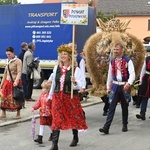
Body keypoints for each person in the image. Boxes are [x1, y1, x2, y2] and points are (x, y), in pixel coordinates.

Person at [48, 44, 88, 150]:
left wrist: (75, 82)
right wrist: (50, 96)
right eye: (61, 54)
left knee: (72, 116)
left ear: (69, 56)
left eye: (65, 54)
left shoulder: (76, 70)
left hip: (70, 97)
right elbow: (53, 84)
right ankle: (54, 144)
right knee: (56, 119)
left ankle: (75, 136)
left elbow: (81, 84)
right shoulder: (57, 68)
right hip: (57, 97)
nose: (63, 56)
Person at [99, 43, 135, 134]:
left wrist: (129, 83)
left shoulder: (128, 61)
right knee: (111, 107)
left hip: (124, 86)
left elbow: (132, 73)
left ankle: (124, 124)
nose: (115, 51)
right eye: (114, 49)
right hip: (115, 86)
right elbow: (110, 75)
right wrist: (108, 86)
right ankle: (106, 127)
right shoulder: (112, 61)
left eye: (117, 49)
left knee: (124, 106)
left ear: (122, 50)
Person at [0, 46, 22, 119]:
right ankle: (3, 113)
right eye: (7, 54)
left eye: (9, 54)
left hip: (15, 82)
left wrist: (16, 81)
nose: (8, 56)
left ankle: (18, 114)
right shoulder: (7, 61)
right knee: (4, 97)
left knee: (16, 97)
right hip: (7, 81)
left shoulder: (18, 61)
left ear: (13, 53)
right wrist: (2, 83)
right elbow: (5, 73)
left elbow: (19, 72)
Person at [136, 54, 150, 120]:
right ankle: (142, 114)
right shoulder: (147, 58)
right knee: (144, 96)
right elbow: (143, 69)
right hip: (147, 78)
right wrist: (141, 80)